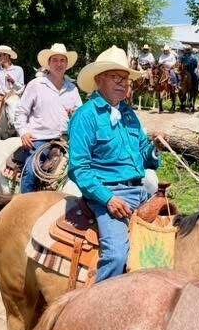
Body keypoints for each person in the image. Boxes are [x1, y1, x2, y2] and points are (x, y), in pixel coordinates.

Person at [68, 46, 159, 282]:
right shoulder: (85, 116)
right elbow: (79, 169)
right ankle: (99, 306)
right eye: (115, 77)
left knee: (165, 242)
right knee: (118, 255)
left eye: (125, 79)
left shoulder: (130, 115)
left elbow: (145, 158)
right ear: (99, 80)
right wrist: (108, 198)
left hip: (140, 191)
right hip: (109, 194)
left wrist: (154, 148)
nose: (122, 84)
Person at [14, 43, 82, 193]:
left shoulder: (72, 88)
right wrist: (24, 132)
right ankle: (25, 206)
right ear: (49, 63)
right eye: (55, 60)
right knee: (31, 171)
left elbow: (80, 117)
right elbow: (21, 112)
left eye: (62, 60)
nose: (59, 64)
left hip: (66, 140)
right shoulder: (36, 85)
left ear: (67, 64)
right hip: (40, 139)